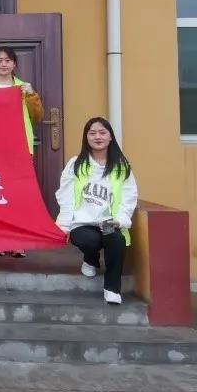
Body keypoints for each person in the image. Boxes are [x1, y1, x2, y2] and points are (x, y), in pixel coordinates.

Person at [55, 117, 138, 305]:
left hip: (109, 222)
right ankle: (91, 258)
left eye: (102, 133)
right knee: (89, 240)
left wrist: (120, 219)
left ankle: (112, 289)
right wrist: (64, 225)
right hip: (82, 223)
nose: (97, 137)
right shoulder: (76, 164)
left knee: (116, 240)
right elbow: (65, 195)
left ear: (110, 137)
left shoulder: (122, 167)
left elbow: (129, 196)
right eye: (92, 133)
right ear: (86, 138)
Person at [0, 46, 44, 258]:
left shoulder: (24, 88)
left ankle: (17, 242)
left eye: (7, 60)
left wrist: (31, 95)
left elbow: (37, 116)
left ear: (14, 64)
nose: (3, 64)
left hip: (20, 147)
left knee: (18, 195)